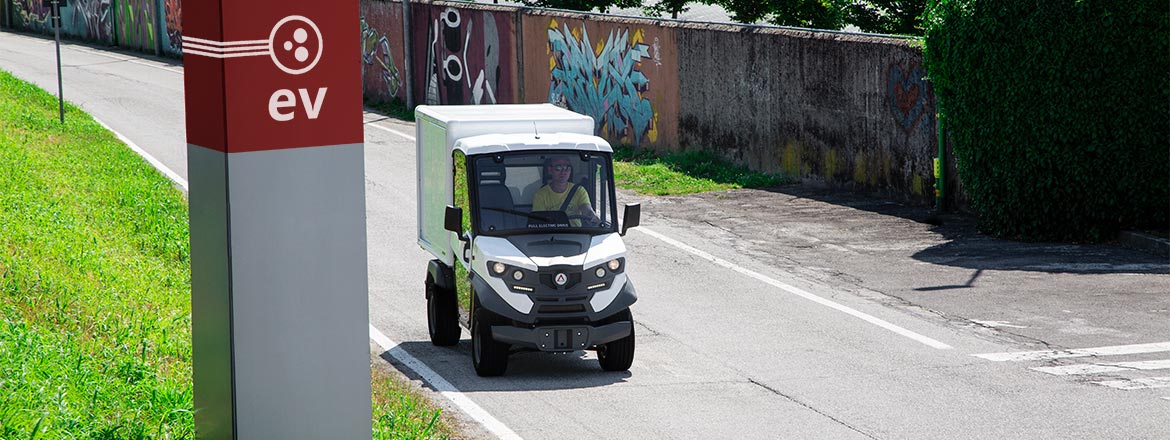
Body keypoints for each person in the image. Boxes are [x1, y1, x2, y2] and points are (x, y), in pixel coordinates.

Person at [532, 157, 598, 227]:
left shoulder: (579, 191)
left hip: (576, 233)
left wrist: (591, 215)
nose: (563, 172)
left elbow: (586, 209)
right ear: (550, 170)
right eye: (558, 168)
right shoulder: (541, 195)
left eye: (567, 167)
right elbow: (539, 221)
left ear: (570, 170)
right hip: (551, 233)